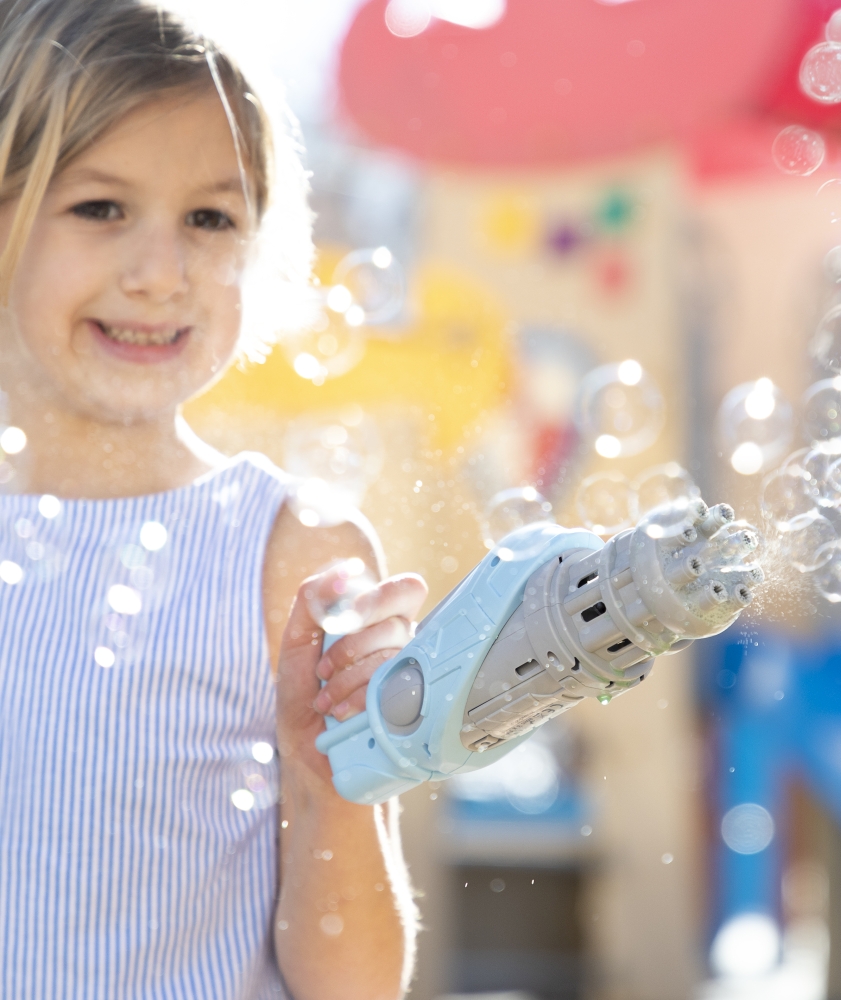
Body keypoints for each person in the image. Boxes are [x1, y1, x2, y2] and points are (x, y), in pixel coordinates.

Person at [0, 1, 427, 997]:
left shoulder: (293, 553)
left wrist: (334, 786)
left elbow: (352, 986)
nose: (161, 274)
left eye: (210, 217)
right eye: (100, 207)